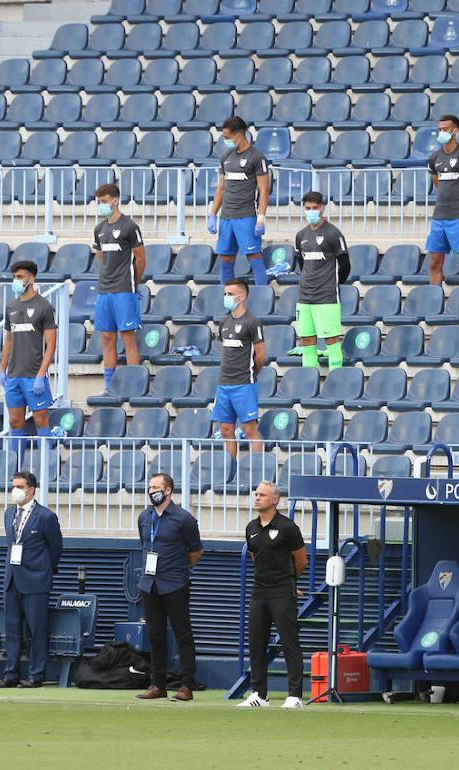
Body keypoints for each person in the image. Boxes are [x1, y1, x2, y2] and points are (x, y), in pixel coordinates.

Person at [238, 482, 308, 710]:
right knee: (256, 642)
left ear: (275, 500)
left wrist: (289, 582)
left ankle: (295, 695)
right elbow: (255, 556)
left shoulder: (288, 527)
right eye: (256, 494)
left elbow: (301, 560)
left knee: (289, 641)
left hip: (282, 592)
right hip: (259, 592)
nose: (257, 497)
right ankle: (259, 694)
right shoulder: (251, 527)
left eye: (262, 495)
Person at [135, 473, 203, 702]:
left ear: (168, 491)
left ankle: (186, 685)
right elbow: (144, 545)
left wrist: (180, 569)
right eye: (150, 486)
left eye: (156, 487)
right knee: (155, 635)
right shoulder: (144, 517)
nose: (152, 490)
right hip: (149, 583)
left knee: (183, 634)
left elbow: (195, 551)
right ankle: (158, 684)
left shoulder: (184, 519)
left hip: (174, 583)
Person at [0, 471, 62, 689]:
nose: (16, 490)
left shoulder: (46, 516)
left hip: (36, 580)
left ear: (31, 489)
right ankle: (10, 674)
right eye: (14, 486)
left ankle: (36, 675)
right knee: (12, 629)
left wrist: (43, 570)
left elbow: (55, 548)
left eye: (20, 486)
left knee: (37, 629)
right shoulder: (8, 514)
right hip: (12, 578)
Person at [0, 259, 57, 465]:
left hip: (33, 375)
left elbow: (51, 345)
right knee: (15, 422)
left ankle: (45, 467)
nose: (16, 280)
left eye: (20, 277)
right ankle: (16, 469)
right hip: (13, 376)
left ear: (31, 279)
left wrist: (41, 375)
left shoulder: (45, 307)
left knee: (41, 419)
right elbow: (8, 340)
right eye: (14, 277)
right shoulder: (11, 307)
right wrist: (2, 370)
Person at [91, 182, 146, 390]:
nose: (102, 205)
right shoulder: (99, 229)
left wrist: (134, 283)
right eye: (99, 202)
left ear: (115, 200)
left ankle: (134, 384)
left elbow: (141, 258)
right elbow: (101, 257)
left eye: (104, 201)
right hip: (104, 289)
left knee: (128, 337)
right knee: (106, 337)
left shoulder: (130, 226)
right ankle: (109, 385)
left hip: (124, 288)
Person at [289, 190, 351, 370]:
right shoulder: (301, 235)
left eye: (314, 208)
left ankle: (336, 376)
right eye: (308, 208)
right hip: (305, 296)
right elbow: (301, 262)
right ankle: (309, 378)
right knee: (306, 338)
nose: (311, 211)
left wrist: (333, 284)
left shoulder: (333, 233)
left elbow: (345, 265)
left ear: (322, 208)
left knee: (331, 338)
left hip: (326, 296)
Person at [208, 116, 271, 287]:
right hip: (226, 217)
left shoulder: (257, 157)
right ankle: (226, 297)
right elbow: (220, 188)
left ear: (239, 134)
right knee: (226, 258)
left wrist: (260, 219)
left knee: (254, 256)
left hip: (246, 216)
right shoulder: (226, 157)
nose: (225, 141)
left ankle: (261, 295)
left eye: (228, 137)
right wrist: (213, 214)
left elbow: (264, 190)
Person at [213, 278, 266, 457]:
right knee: (226, 429)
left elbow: (261, 356)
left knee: (250, 429)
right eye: (225, 294)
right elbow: (224, 351)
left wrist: (251, 373)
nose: (226, 297)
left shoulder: (252, 321)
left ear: (241, 297)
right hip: (224, 384)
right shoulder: (224, 322)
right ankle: (231, 473)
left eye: (230, 294)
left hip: (244, 383)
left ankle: (258, 471)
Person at [426, 115, 459, 286]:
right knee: (435, 262)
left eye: (445, 129)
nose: (442, 132)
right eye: (440, 129)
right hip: (438, 217)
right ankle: (434, 303)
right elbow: (437, 184)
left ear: (455, 131)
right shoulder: (434, 158)